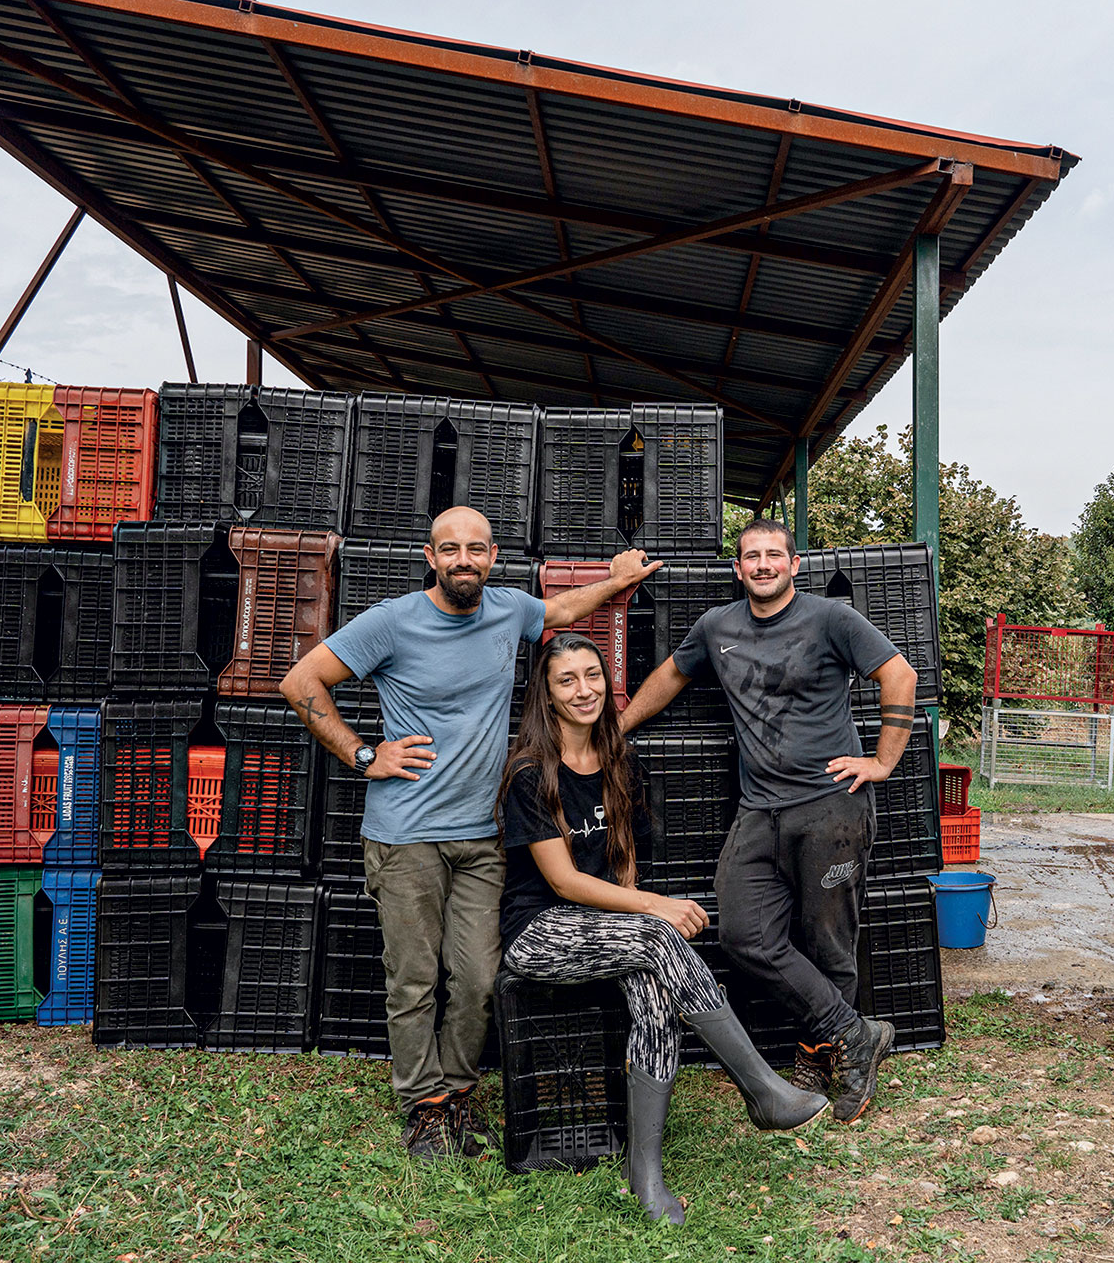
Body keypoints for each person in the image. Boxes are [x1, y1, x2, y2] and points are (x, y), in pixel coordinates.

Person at [280, 506, 662, 1160]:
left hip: (484, 838)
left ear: (491, 558)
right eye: (450, 549)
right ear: (431, 557)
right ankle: (424, 1107)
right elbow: (300, 680)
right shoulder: (393, 622)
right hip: (405, 836)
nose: (464, 559)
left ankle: (455, 1091)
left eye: (477, 549)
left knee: (480, 977)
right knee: (414, 978)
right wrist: (364, 755)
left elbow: (564, 613)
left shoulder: (508, 610)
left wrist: (618, 576)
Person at [498, 631, 828, 1222]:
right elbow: (563, 882)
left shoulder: (623, 764)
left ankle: (643, 1171)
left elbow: (624, 866)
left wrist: (639, 908)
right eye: (566, 681)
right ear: (546, 697)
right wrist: (654, 908)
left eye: (592, 676)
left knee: (654, 989)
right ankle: (760, 1087)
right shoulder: (530, 773)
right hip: (539, 933)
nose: (584, 690)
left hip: (608, 931)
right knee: (659, 933)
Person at [621, 518, 918, 1124]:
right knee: (743, 935)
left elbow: (900, 674)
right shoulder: (718, 627)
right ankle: (854, 1033)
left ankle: (824, 1054)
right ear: (738, 569)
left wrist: (883, 761)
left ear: (794, 564)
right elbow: (671, 676)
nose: (762, 565)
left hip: (831, 804)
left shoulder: (830, 619)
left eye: (772, 556)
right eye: (750, 557)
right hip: (760, 807)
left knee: (828, 938)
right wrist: (615, 728)